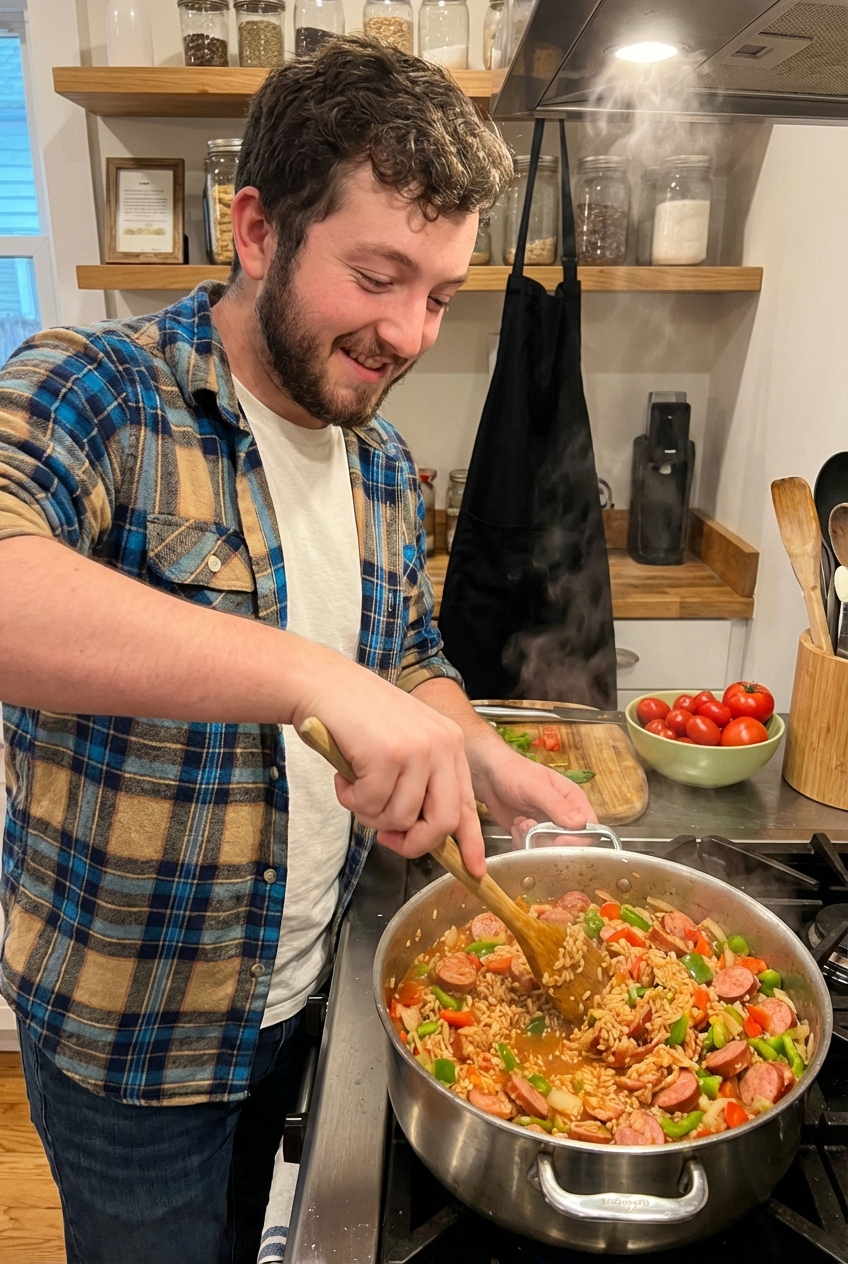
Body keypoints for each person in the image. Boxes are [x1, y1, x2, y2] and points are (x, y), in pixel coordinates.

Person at [0, 38, 596, 1264]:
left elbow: (408, 647)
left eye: (438, 292)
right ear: (258, 229)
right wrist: (313, 676)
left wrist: (470, 743)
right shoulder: (95, 387)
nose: (410, 332)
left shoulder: (374, 457)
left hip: (307, 999)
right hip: (135, 1043)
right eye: (377, 276)